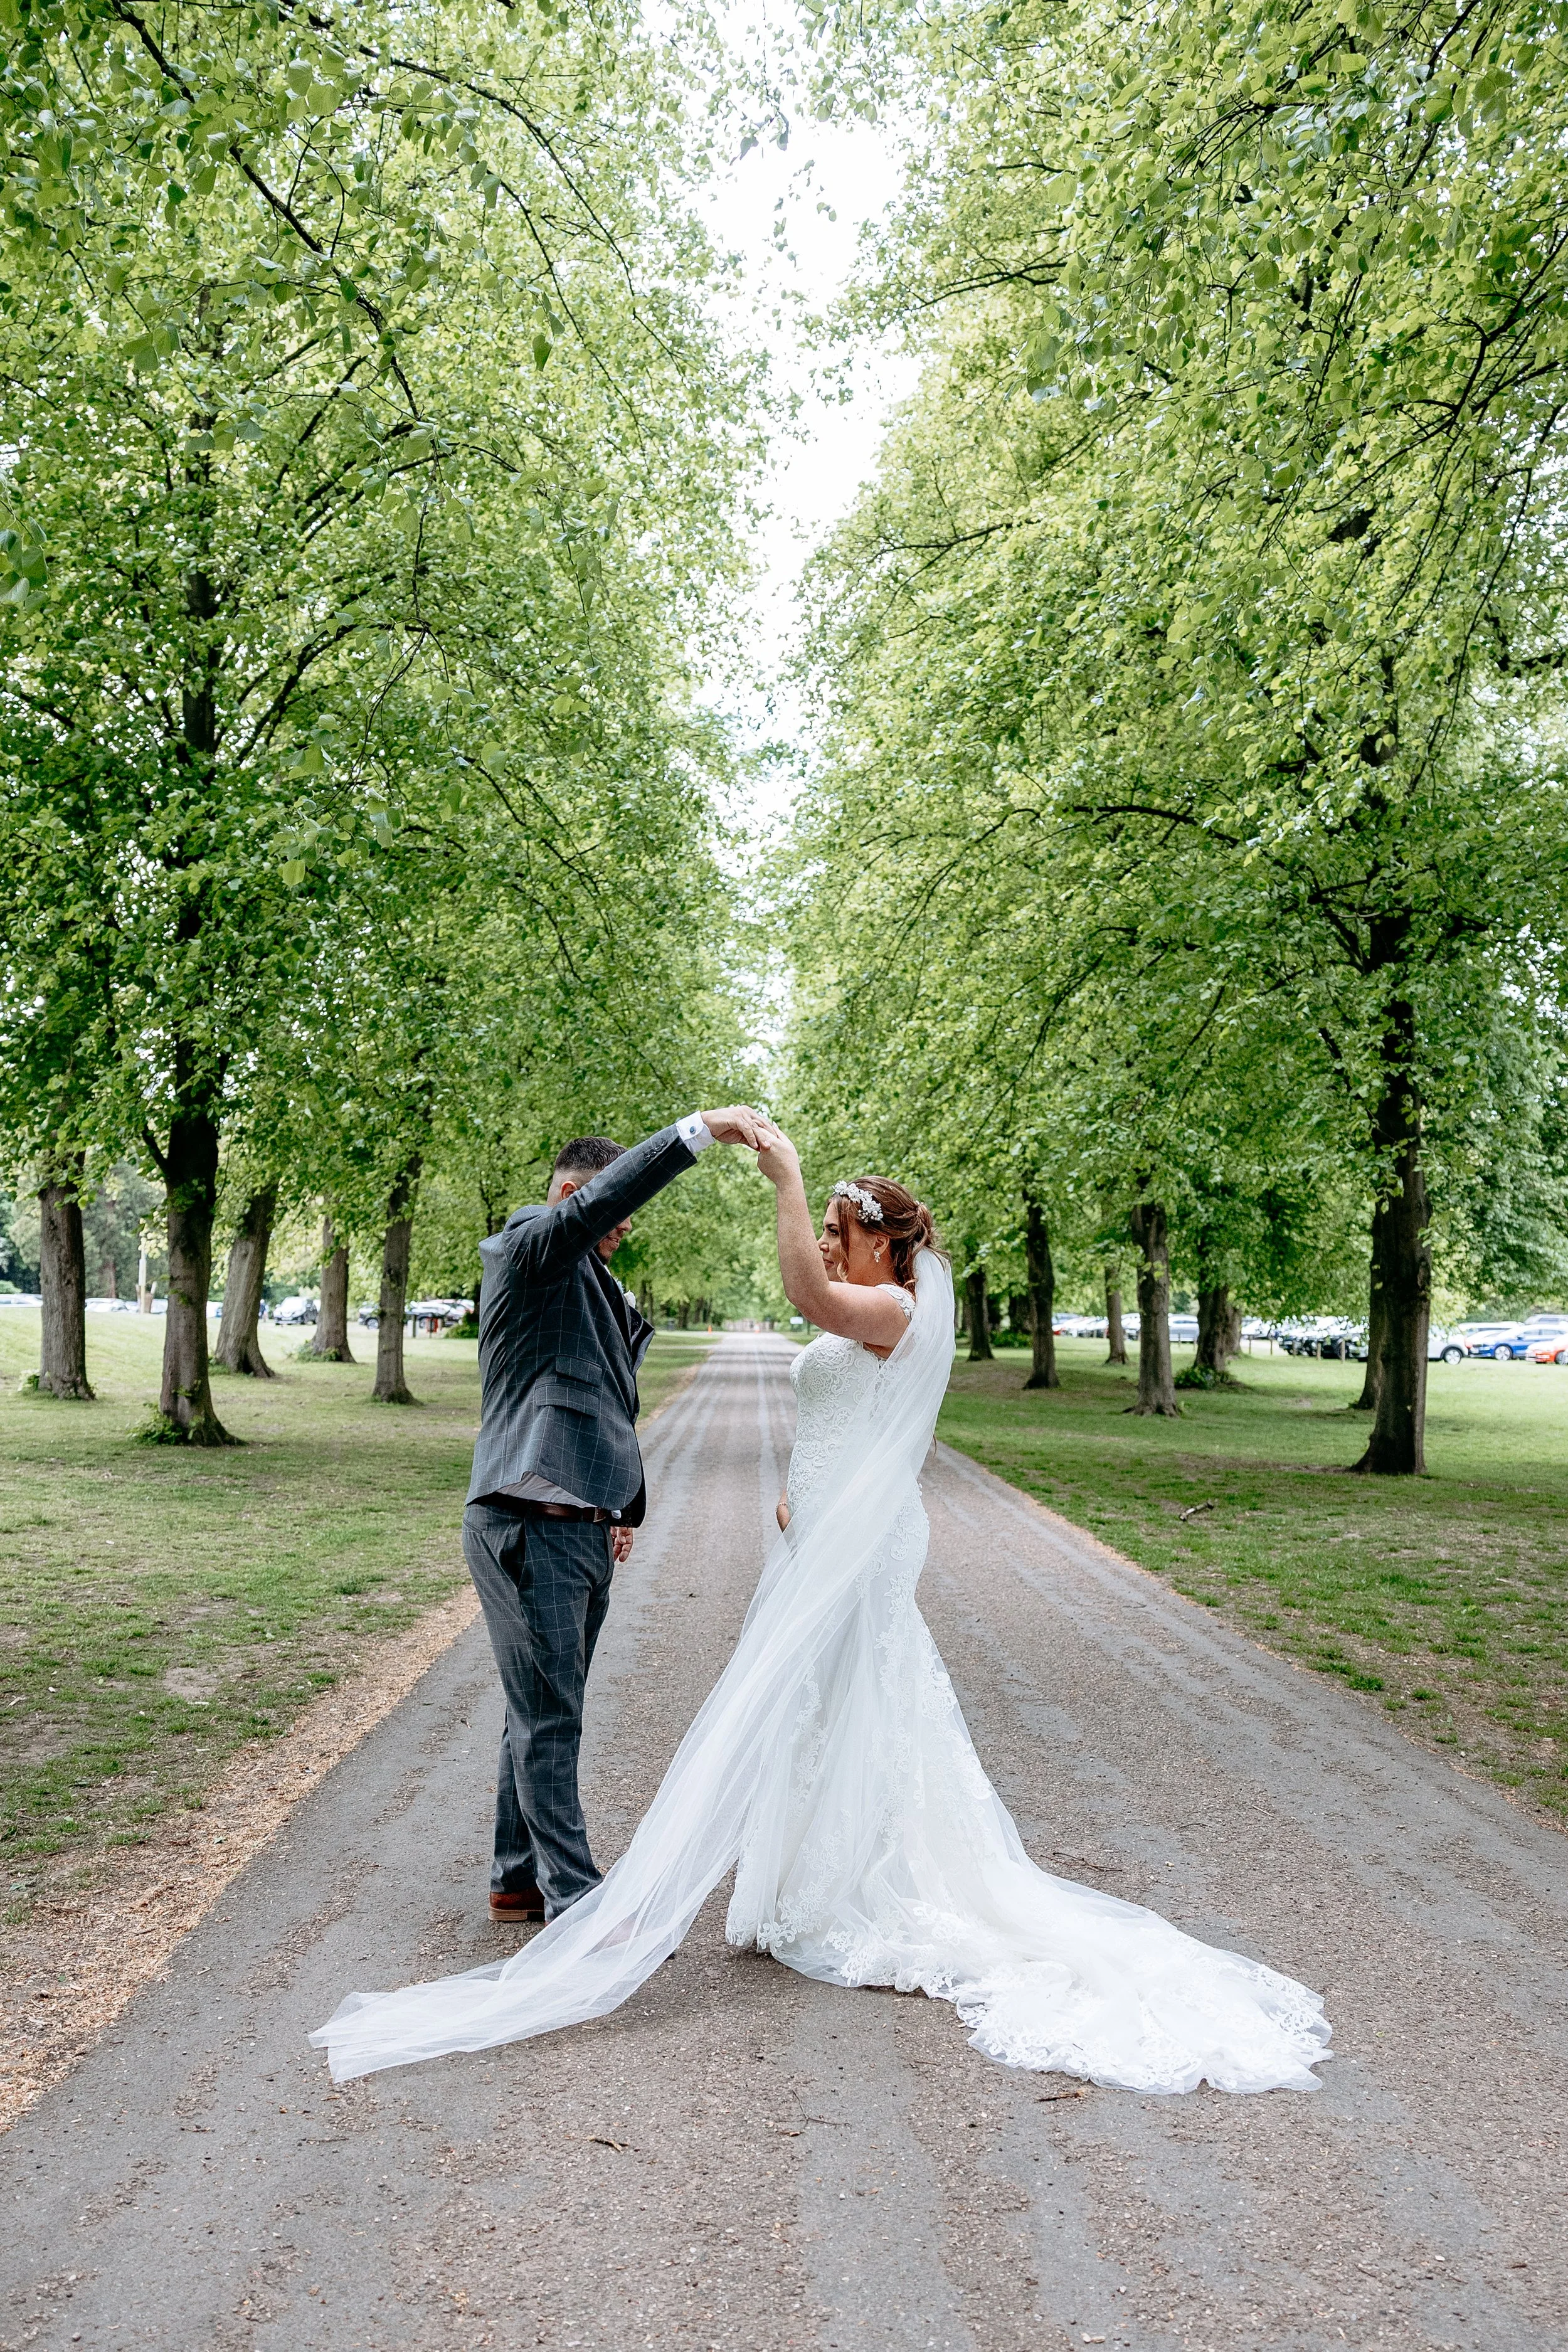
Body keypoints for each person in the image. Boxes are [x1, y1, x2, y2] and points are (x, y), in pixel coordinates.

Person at [312, 1128, 1330, 2094]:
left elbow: (804, 1302)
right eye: (832, 1232)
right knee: (787, 1703)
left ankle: (831, 1889)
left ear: (890, 1245)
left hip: (856, 1544)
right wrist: (806, 1498)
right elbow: (852, 1425)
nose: (832, 1251)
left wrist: (789, 1179)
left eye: (846, 1235)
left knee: (838, 1699)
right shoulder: (539, 1250)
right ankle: (593, 1882)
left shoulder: (894, 1312)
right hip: (775, 1527)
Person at [460, 1108, 765, 1926]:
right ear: (570, 1194)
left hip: (583, 1523)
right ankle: (577, 1905)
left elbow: (602, 1406)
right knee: (551, 1713)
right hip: (533, 1519)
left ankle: (516, 1875)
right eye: (611, 1214)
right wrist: (699, 1132)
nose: (620, 1231)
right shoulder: (528, 1243)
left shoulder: (594, 1284)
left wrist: (616, 1504)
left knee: (542, 1705)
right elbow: (592, 1214)